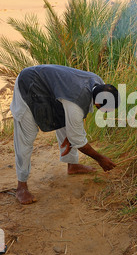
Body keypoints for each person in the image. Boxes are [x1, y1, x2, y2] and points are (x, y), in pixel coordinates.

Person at [10, 64, 119, 205]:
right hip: (29, 83)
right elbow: (78, 139)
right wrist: (100, 159)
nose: (106, 112)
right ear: (98, 102)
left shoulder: (98, 82)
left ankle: (72, 165)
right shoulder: (75, 103)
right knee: (26, 135)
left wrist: (72, 133)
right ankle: (21, 186)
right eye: (105, 109)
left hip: (54, 90)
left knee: (68, 125)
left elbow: (77, 120)